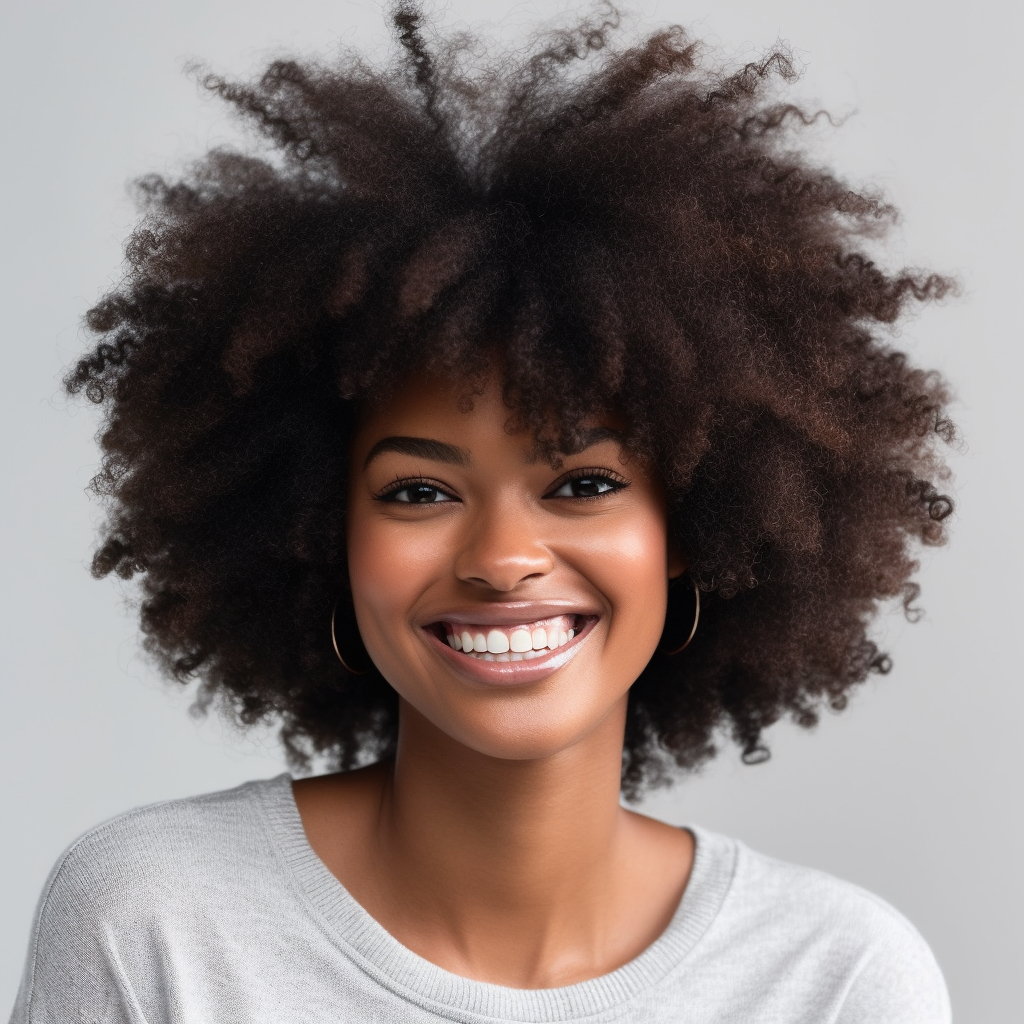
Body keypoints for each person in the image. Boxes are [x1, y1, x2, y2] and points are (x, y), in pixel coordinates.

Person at [11, 3, 955, 1021]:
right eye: (419, 492)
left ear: (691, 527)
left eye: (583, 484)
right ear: (323, 533)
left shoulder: (836, 978)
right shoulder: (155, 924)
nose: (503, 557)